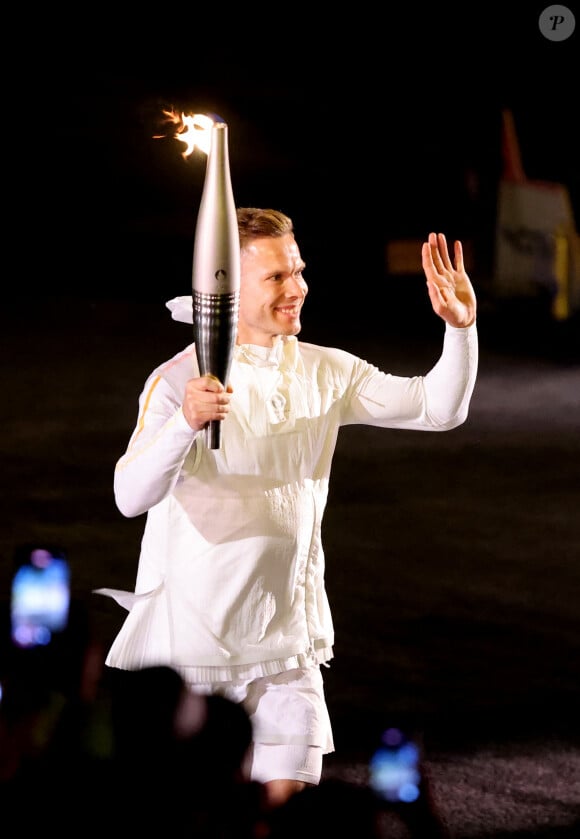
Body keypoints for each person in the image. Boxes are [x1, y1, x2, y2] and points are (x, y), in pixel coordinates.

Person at [96, 207, 478, 809]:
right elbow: (128, 497)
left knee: (287, 816)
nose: (297, 287)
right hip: (198, 649)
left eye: (297, 270)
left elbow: (438, 408)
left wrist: (460, 328)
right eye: (277, 277)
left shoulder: (326, 370)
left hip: (287, 646)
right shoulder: (177, 381)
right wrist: (184, 423)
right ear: (226, 286)